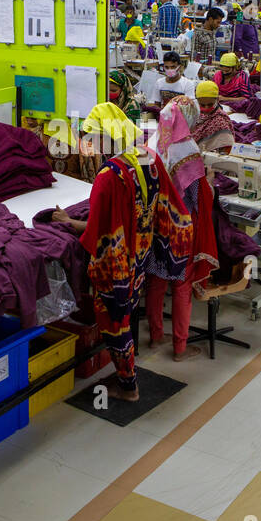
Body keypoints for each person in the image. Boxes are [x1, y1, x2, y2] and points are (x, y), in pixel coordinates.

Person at [51, 103, 193, 401]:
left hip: (114, 264)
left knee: (114, 323)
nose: (87, 145)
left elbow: (97, 232)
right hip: (140, 255)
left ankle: (128, 385)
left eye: (92, 137)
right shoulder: (149, 159)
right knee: (126, 313)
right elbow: (166, 206)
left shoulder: (108, 176)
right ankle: (127, 373)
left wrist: (67, 221)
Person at [146, 94, 221, 362]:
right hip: (180, 227)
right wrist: (209, 182)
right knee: (181, 284)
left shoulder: (152, 143)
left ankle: (156, 336)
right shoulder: (187, 150)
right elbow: (196, 198)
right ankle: (180, 347)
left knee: (156, 279)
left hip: (155, 223)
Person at [190, 81, 234, 151]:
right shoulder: (193, 115)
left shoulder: (220, 121)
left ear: (217, 100)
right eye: (202, 105)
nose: (206, 108)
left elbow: (226, 148)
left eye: (210, 105)